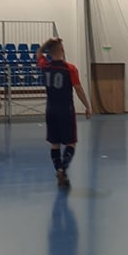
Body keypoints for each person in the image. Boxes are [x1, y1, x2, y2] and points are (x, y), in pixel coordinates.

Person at [37, 37, 92, 186]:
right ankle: (63, 168)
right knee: (71, 143)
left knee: (54, 144)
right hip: (66, 110)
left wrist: (47, 42)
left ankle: (59, 170)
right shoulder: (70, 68)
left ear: (49, 52)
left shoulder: (45, 66)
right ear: (62, 50)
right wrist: (87, 106)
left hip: (50, 110)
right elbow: (78, 89)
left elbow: (39, 53)